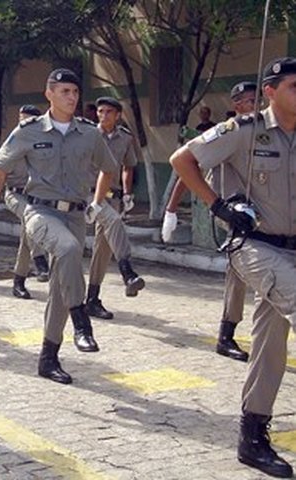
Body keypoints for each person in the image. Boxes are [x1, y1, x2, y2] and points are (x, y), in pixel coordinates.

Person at [169, 58, 296, 478]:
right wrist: (217, 205)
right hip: (254, 247)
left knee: (269, 341)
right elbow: (181, 160)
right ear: (271, 92)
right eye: (295, 86)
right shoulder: (243, 131)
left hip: (293, 250)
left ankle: (251, 438)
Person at [0, 68, 118, 384]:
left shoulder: (89, 133)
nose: (71, 98)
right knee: (69, 249)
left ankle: (48, 359)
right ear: (49, 94)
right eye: (64, 92)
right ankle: (82, 322)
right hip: (40, 212)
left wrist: (98, 203)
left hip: (75, 215)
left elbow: (109, 168)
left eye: (75, 92)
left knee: (61, 287)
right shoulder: (29, 131)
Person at [163, 81, 257, 362]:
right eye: (250, 101)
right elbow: (186, 169)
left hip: (267, 213)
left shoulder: (266, 133)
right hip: (234, 214)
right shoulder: (227, 135)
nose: (256, 106)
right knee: (241, 273)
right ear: (237, 105)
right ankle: (226, 335)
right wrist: (170, 211)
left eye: (258, 100)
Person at [84, 97, 145, 319]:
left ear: (118, 115)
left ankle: (92, 299)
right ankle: (127, 272)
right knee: (114, 221)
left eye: (109, 112)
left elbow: (128, 166)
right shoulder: (88, 135)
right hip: (89, 194)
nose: (104, 115)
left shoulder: (125, 138)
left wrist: (128, 193)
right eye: (100, 111)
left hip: (114, 196)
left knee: (103, 249)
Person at [0, 104, 50, 300]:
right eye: (20, 119)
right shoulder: (13, 143)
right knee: (29, 216)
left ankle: (18, 281)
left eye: (26, 119)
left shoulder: (45, 144)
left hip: (38, 196)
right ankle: (40, 259)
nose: (22, 123)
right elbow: (0, 174)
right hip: (15, 195)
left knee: (26, 235)